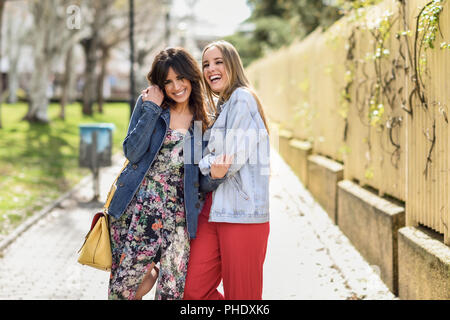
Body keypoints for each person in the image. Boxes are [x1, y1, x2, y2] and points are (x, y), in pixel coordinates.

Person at [106, 47, 221, 300]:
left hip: (179, 218)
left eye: (180, 78)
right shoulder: (150, 104)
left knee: (171, 294)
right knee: (123, 292)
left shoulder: (203, 120)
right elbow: (132, 152)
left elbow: (201, 182)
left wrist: (217, 174)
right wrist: (151, 108)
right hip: (139, 210)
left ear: (191, 77)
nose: (176, 87)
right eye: (168, 81)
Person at [183, 40, 271, 300]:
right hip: (211, 212)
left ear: (232, 64)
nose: (211, 69)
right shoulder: (221, 107)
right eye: (206, 64)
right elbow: (215, 163)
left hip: (242, 215)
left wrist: (202, 164)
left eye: (218, 62)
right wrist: (210, 163)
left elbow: (227, 162)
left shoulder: (242, 99)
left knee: (243, 297)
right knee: (192, 291)